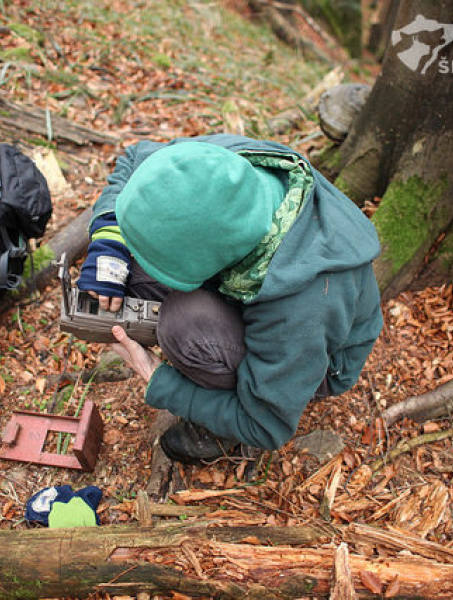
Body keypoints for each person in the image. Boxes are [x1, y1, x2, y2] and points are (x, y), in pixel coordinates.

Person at [76, 134, 383, 464]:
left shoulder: (302, 308)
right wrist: (109, 242)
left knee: (186, 324)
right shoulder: (219, 165)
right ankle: (211, 367)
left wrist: (158, 379)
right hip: (259, 284)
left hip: (313, 361)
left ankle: (221, 429)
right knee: (131, 270)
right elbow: (136, 155)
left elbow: (266, 426)